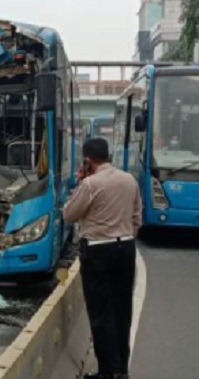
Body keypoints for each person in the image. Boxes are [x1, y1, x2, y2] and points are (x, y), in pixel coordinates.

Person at [62, 138, 142, 379]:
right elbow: (137, 217)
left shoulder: (90, 184)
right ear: (108, 155)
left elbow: (69, 214)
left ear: (88, 159)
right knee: (122, 310)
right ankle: (121, 369)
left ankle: (108, 371)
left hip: (98, 251)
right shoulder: (129, 180)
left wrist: (79, 182)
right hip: (126, 248)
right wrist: (124, 236)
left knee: (101, 313)